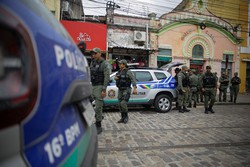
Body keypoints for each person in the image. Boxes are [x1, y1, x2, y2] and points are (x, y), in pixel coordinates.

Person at [90, 47, 111, 134]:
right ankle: (99, 116)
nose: (93, 55)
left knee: (98, 106)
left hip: (99, 86)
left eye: (95, 53)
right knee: (88, 104)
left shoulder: (104, 64)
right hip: (92, 85)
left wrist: (104, 89)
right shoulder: (92, 62)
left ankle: (98, 125)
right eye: (93, 54)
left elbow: (107, 77)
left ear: (100, 54)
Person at [115, 59, 137, 123]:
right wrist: (115, 78)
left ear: (124, 65)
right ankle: (122, 117)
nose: (119, 65)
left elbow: (133, 79)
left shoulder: (128, 71)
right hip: (120, 89)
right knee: (119, 104)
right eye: (119, 64)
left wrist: (135, 88)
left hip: (126, 89)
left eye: (120, 64)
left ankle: (126, 116)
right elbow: (116, 78)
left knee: (123, 103)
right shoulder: (119, 71)